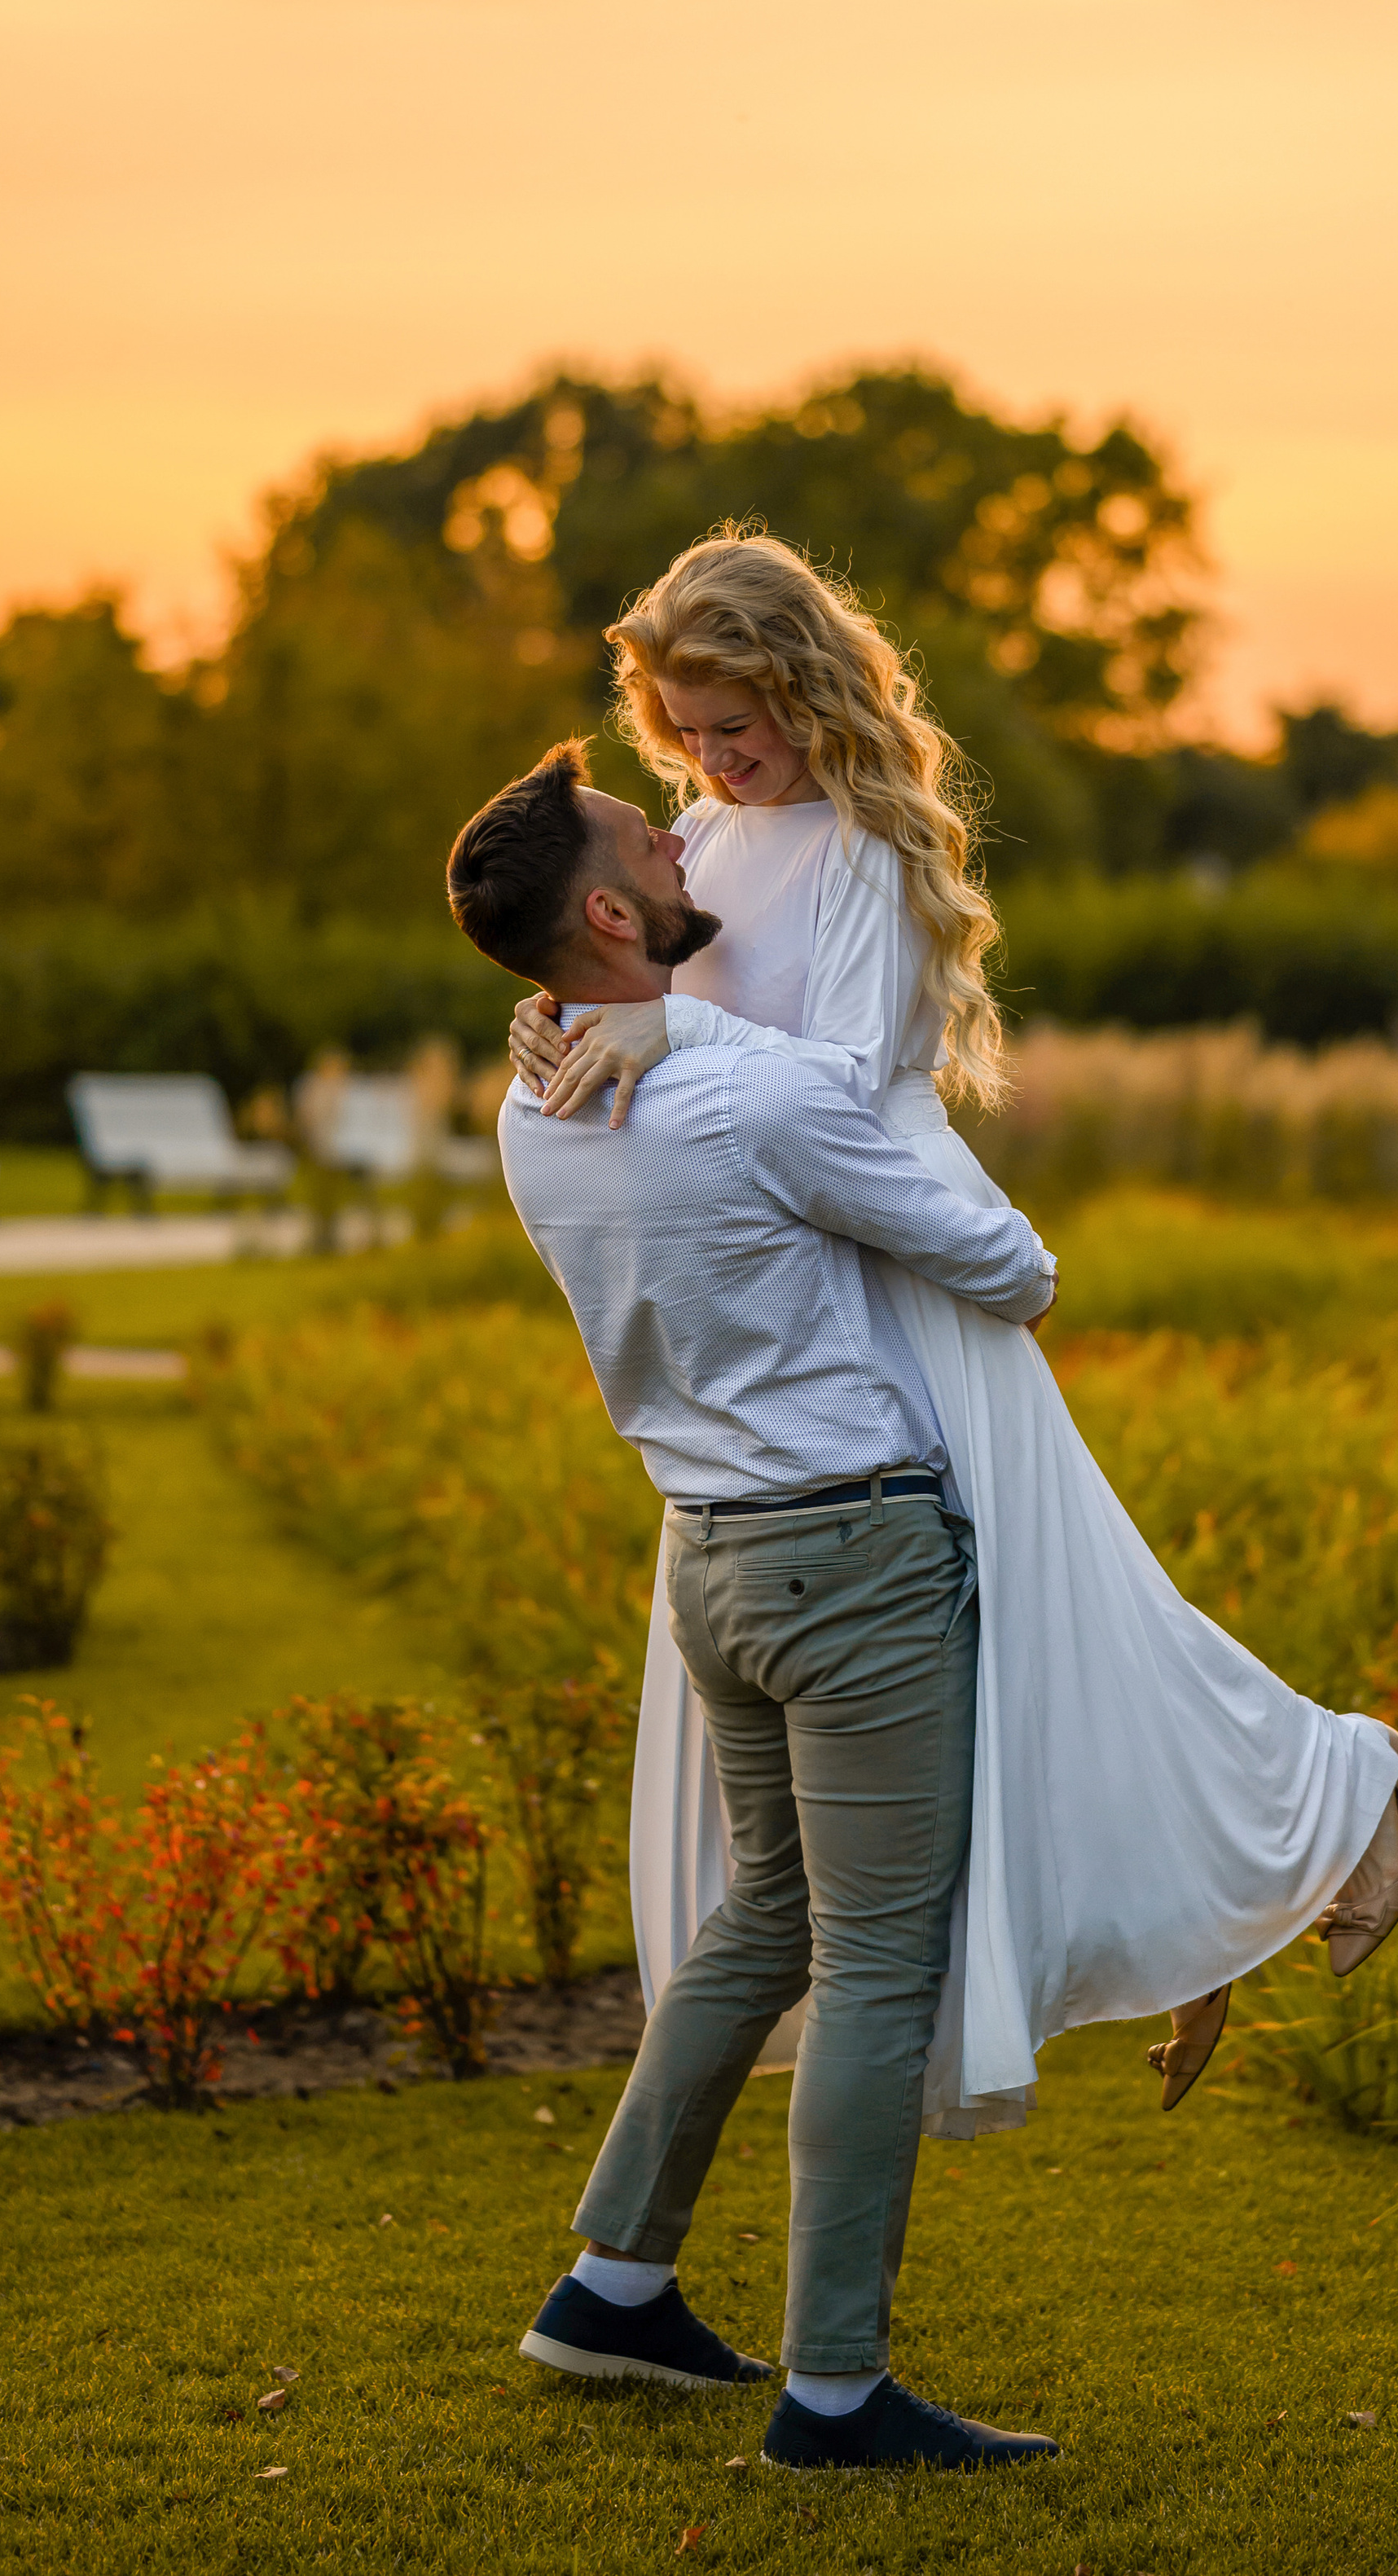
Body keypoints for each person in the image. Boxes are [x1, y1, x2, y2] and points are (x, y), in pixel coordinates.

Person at [510, 530, 1398, 2138]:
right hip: (799, 1288)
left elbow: (844, 1090)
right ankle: (1200, 1902)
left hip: (904, 1270)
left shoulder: (861, 850)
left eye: (738, 726)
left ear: (802, 685)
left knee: (1066, 1610)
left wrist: (666, 1023)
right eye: (689, 735)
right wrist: (570, 1014)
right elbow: (657, 1011)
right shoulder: (704, 836)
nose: (713, 763)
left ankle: (1334, 1800)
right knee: (1013, 1653)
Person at [447, 738, 1064, 2470]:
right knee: (871, 1960)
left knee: (766, 1922)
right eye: (647, 829)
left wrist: (672, 1027)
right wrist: (745, 1051)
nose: (681, 822)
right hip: (847, 1554)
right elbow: (1012, 1266)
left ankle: (612, 2288)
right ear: (609, 907)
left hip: (708, 1555)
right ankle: (837, 2394)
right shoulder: (745, 1092)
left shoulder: (528, 1102)